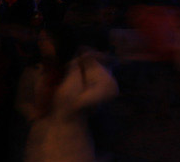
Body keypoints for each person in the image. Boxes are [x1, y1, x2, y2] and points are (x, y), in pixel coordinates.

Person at [18, 27, 119, 162]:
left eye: (46, 39)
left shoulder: (81, 64)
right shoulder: (37, 68)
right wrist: (32, 114)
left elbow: (109, 87)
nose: (41, 43)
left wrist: (79, 102)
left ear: (59, 41)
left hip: (73, 142)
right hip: (43, 140)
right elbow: (24, 98)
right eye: (40, 39)